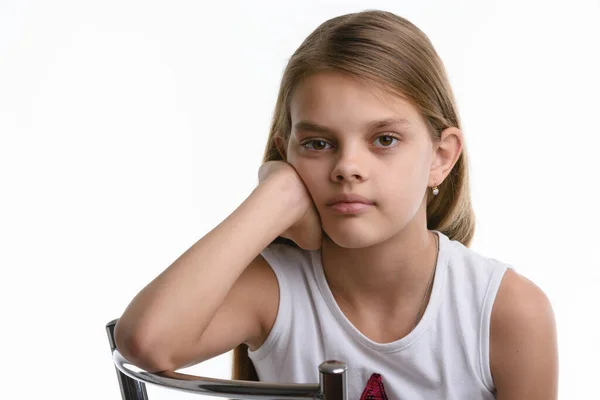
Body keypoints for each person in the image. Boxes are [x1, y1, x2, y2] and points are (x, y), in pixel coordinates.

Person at [114, 9, 558, 399]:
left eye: (384, 140)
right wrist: (274, 198)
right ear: (285, 153)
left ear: (440, 158)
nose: (347, 167)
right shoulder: (273, 292)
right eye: (318, 143)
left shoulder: (506, 311)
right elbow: (146, 343)